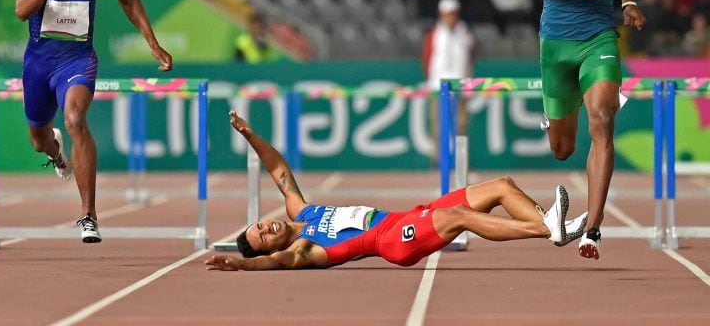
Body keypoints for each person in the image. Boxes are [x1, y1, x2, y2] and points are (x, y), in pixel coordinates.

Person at [204, 111, 588, 271]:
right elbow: (274, 265)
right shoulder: (302, 251)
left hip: (403, 217)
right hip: (392, 242)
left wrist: (251, 136)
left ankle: (553, 225)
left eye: (260, 225)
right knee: (460, 217)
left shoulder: (302, 212)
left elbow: (279, 170)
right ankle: (547, 228)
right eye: (263, 238)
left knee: (501, 187)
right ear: (271, 248)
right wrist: (242, 263)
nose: (267, 229)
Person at [15, 0, 172, 243]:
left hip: (78, 59)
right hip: (39, 62)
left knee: (74, 119)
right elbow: (22, 9)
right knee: (39, 140)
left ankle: (88, 215)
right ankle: (57, 155)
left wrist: (152, 42)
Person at [520, 0, 647, 260]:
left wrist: (627, 0)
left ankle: (592, 228)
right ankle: (557, 115)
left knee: (603, 115)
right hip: (555, 40)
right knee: (562, 150)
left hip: (599, 36)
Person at [422, 0, 474, 164]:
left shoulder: (465, 33)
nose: (450, 18)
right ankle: (437, 160)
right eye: (446, 14)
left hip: (460, 84)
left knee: (461, 125)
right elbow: (427, 58)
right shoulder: (434, 34)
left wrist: (468, 82)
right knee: (438, 125)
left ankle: (462, 160)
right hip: (439, 85)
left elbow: (470, 58)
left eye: (452, 14)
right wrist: (432, 81)